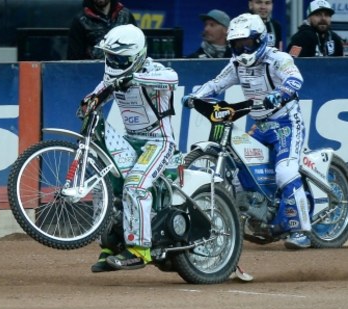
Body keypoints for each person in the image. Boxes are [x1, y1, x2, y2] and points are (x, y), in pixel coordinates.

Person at [183, 13, 312, 249]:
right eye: (237, 44)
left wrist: (280, 93)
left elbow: (295, 79)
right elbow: (216, 84)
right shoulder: (236, 64)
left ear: (260, 39)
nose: (242, 50)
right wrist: (196, 95)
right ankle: (260, 216)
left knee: (285, 172)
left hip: (286, 123)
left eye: (247, 43)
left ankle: (300, 230)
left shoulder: (277, 58)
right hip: (260, 124)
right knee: (242, 169)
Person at [78, 24, 178, 271]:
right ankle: (111, 244)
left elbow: (172, 78)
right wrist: (88, 104)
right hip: (131, 140)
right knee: (106, 185)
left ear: (136, 57)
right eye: (110, 57)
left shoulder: (155, 70)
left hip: (160, 142)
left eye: (119, 59)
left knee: (135, 186)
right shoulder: (112, 76)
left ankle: (139, 250)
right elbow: (95, 96)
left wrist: (134, 77)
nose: (113, 62)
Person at [67, 0, 136, 60]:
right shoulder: (81, 21)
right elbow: (74, 59)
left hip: (123, 68)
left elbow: (137, 46)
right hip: (92, 71)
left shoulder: (126, 16)